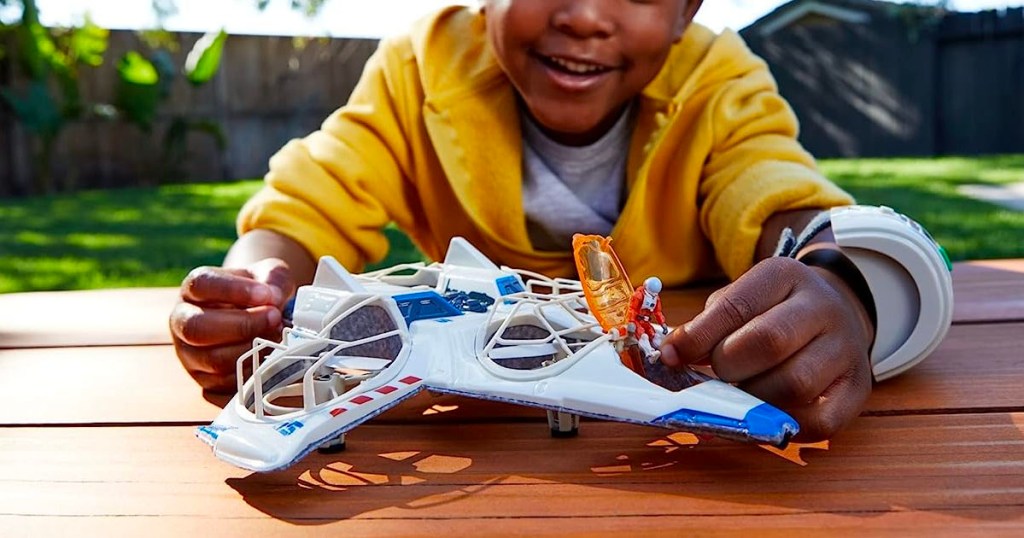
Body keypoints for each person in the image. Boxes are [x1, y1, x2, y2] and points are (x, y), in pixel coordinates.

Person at [170, 0, 876, 441]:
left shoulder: (718, 79)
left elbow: (781, 196)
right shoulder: (419, 69)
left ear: (688, 9)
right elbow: (306, 202)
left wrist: (837, 284)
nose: (585, 16)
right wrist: (252, 292)